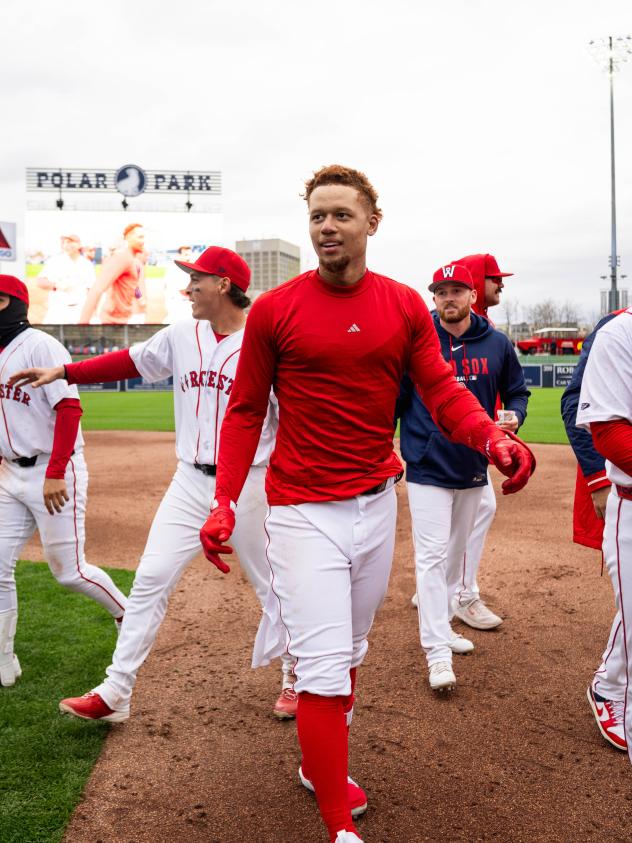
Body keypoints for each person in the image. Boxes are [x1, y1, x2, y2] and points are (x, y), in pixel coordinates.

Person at [197, 165, 535, 843]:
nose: (326, 226)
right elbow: (242, 412)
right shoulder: (275, 308)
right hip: (300, 510)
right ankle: (337, 827)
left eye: (341, 215)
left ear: (371, 223)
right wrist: (224, 500)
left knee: (348, 652)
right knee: (322, 669)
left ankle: (317, 764)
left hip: (378, 502)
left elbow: (440, 391)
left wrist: (491, 436)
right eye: (317, 216)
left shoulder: (405, 305)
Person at [9, 248, 297, 721]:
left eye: (196, 280)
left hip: (251, 483)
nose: (187, 289)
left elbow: (289, 422)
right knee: (149, 580)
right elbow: (129, 361)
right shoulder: (183, 334)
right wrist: (65, 371)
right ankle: (116, 690)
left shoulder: (265, 342)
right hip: (189, 480)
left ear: (224, 285)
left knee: (272, 585)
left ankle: (296, 673)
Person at [398, 263, 530, 692]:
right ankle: (436, 652)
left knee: (454, 557)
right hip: (427, 464)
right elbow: (397, 400)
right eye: (441, 291)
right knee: (432, 556)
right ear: (432, 298)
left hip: (474, 463)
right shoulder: (419, 341)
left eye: (457, 290)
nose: (448, 298)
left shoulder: (496, 344)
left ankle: (447, 622)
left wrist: (514, 417)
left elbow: (516, 391)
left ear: (473, 296)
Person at [0, 274, 127, 687]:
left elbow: (70, 410)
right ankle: (4, 661)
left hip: (53, 471)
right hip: (10, 474)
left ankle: (128, 615)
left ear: (11, 303)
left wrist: (55, 472)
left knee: (69, 571)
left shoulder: (40, 345)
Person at [561, 310, 626, 751]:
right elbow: (578, 407)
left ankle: (613, 680)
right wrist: (597, 480)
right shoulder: (616, 328)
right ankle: (612, 685)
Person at [442, 252, 516, 631]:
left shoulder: (486, 329)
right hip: (448, 445)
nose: (500, 284)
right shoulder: (447, 324)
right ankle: (461, 593)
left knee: (472, 509)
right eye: (494, 278)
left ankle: (443, 586)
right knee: (479, 507)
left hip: (475, 442)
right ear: (476, 284)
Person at [78, 223, 146, 324]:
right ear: (128, 238)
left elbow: (136, 288)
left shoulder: (136, 263)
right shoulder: (121, 258)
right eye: (140, 237)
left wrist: (141, 300)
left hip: (127, 317)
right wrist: (83, 323)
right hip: (112, 319)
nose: (143, 241)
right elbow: (97, 290)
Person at [36, 234, 96, 323]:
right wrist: (56, 285)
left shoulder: (87, 265)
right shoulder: (55, 261)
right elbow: (40, 282)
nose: (67, 245)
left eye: (70, 242)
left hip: (80, 309)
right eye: (64, 242)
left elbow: (92, 289)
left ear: (79, 244)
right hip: (58, 309)